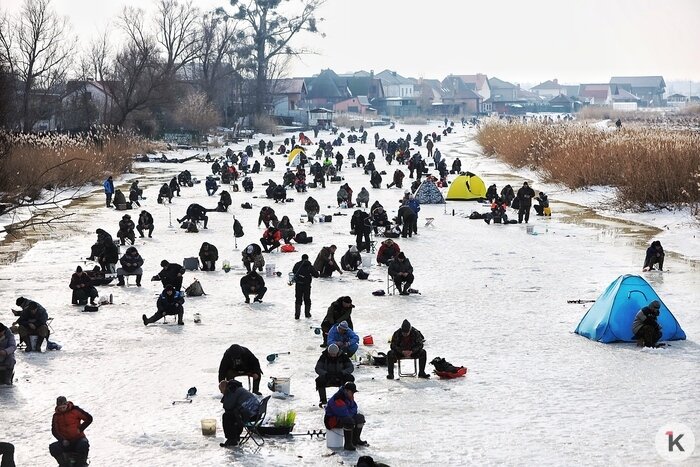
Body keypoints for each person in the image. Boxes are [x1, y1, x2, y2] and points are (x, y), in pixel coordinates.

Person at [49, 396, 92, 467]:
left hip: (78, 439)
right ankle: (64, 464)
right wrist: (62, 440)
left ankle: (81, 464)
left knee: (83, 445)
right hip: (65, 442)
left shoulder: (75, 410)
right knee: (53, 447)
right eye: (60, 408)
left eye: (64, 407)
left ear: (66, 404)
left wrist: (80, 429)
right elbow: (54, 431)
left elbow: (89, 418)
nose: (62, 409)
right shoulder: (56, 416)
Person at [324, 382, 367, 451]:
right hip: (331, 420)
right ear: (346, 391)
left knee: (360, 418)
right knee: (349, 421)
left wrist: (350, 412)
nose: (353, 394)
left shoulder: (349, 396)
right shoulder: (337, 398)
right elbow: (343, 413)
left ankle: (356, 440)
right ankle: (348, 444)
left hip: (342, 417)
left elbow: (354, 407)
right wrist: (350, 412)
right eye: (351, 392)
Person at [219, 379, 260, 447]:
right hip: (256, 412)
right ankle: (235, 436)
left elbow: (228, 406)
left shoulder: (232, 391)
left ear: (224, 388)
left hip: (251, 414)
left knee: (226, 416)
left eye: (221, 391)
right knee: (235, 413)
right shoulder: (236, 387)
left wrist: (225, 398)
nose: (221, 392)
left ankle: (231, 439)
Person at [291, 254, 319, 319]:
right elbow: (316, 275)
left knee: (298, 299)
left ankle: (297, 315)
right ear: (307, 258)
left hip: (298, 284)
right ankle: (307, 314)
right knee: (307, 299)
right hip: (307, 285)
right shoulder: (309, 266)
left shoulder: (297, 265)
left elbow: (293, 271)